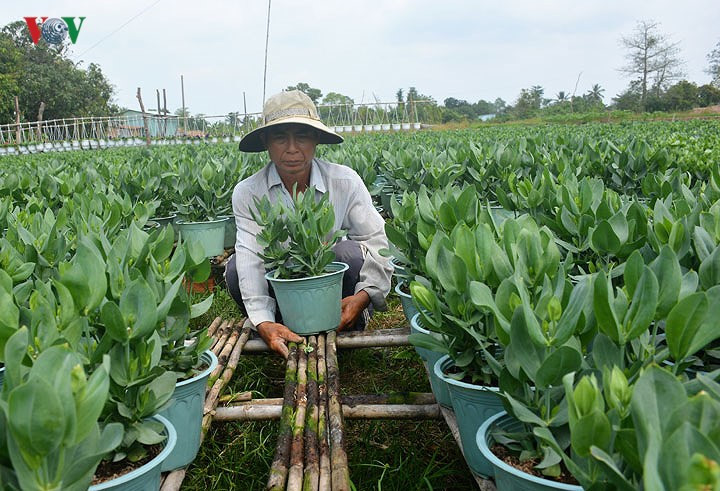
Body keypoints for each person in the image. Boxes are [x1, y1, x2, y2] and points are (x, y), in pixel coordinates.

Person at [224, 90, 392, 358]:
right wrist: (262, 320)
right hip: (282, 287)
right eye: (280, 137)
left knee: (348, 253)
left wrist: (364, 295)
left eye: (302, 135)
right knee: (234, 270)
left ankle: (348, 322)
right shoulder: (248, 192)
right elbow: (250, 258)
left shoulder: (345, 181)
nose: (292, 148)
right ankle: (278, 326)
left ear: (316, 139)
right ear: (266, 141)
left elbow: (377, 242)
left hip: (330, 289)